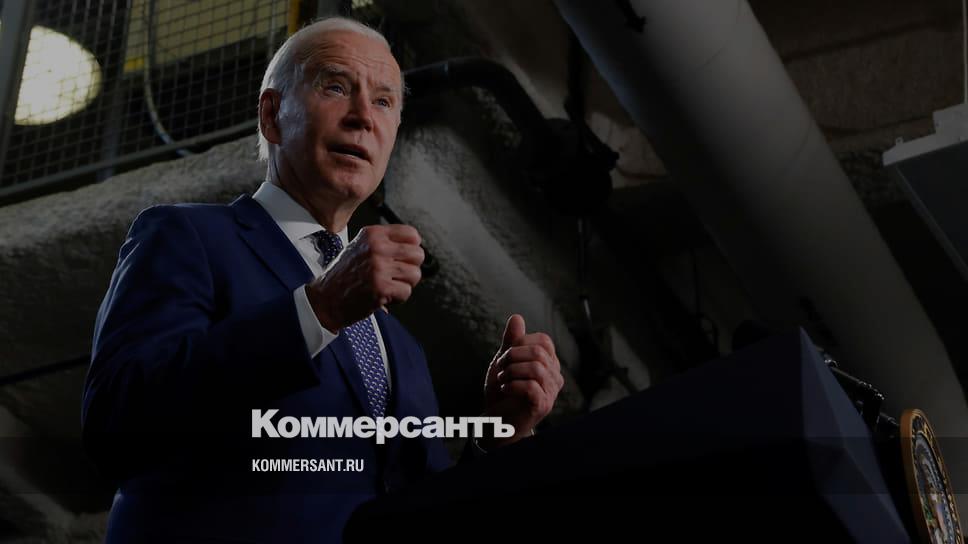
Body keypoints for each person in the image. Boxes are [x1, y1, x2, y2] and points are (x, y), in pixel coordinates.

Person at [81, 16, 564, 544]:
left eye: (384, 102)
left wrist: (502, 433)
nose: (363, 117)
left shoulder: (402, 351)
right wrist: (319, 309)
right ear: (272, 115)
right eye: (335, 87)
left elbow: (425, 510)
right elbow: (116, 429)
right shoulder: (187, 236)